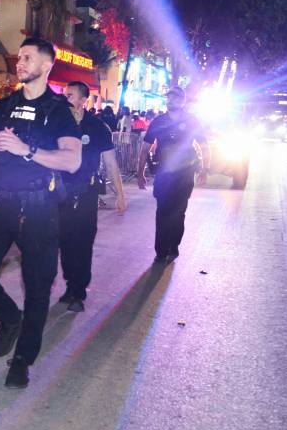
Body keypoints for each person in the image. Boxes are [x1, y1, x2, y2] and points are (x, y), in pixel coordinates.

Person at [0, 38, 82, 389]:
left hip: (39, 207)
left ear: (47, 66)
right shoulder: (3, 106)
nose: (21, 62)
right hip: (0, 203)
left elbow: (72, 160)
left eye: (29, 57)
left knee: (38, 286)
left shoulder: (58, 110)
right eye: (20, 56)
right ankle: (9, 318)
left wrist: (25, 150)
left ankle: (22, 359)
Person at [57, 81, 126, 313]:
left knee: (83, 242)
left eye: (70, 95)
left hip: (86, 192)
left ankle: (78, 291)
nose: (65, 99)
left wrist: (120, 194)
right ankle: (69, 284)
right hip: (60, 192)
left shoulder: (97, 127)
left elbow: (110, 162)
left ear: (83, 100)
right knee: (64, 242)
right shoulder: (58, 124)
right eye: (64, 95)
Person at [136, 86, 209, 263]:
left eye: (175, 98)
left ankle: (173, 246)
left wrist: (205, 170)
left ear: (183, 101)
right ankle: (161, 250)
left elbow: (204, 146)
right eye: (169, 98)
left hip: (185, 173)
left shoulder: (192, 121)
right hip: (164, 173)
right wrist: (140, 173)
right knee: (162, 211)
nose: (170, 101)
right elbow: (145, 148)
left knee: (179, 211)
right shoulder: (159, 121)